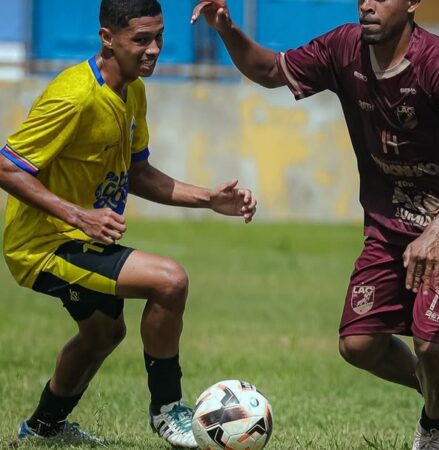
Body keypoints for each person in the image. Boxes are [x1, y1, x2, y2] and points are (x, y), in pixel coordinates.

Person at [192, 0, 439, 448]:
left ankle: (436, 428)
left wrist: (435, 234)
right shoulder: (343, 48)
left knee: (432, 345)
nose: (367, 4)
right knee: (358, 345)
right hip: (389, 223)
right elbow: (269, 71)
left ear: (412, 3)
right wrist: (226, 28)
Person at [0, 0, 257, 447]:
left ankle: (43, 428)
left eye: (158, 37)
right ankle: (167, 412)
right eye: (141, 39)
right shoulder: (75, 96)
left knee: (104, 333)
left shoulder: (133, 89)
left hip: (77, 236)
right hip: (43, 243)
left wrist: (209, 199)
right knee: (169, 280)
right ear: (107, 39)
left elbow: (137, 173)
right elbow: (7, 167)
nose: (154, 48)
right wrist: (79, 214)